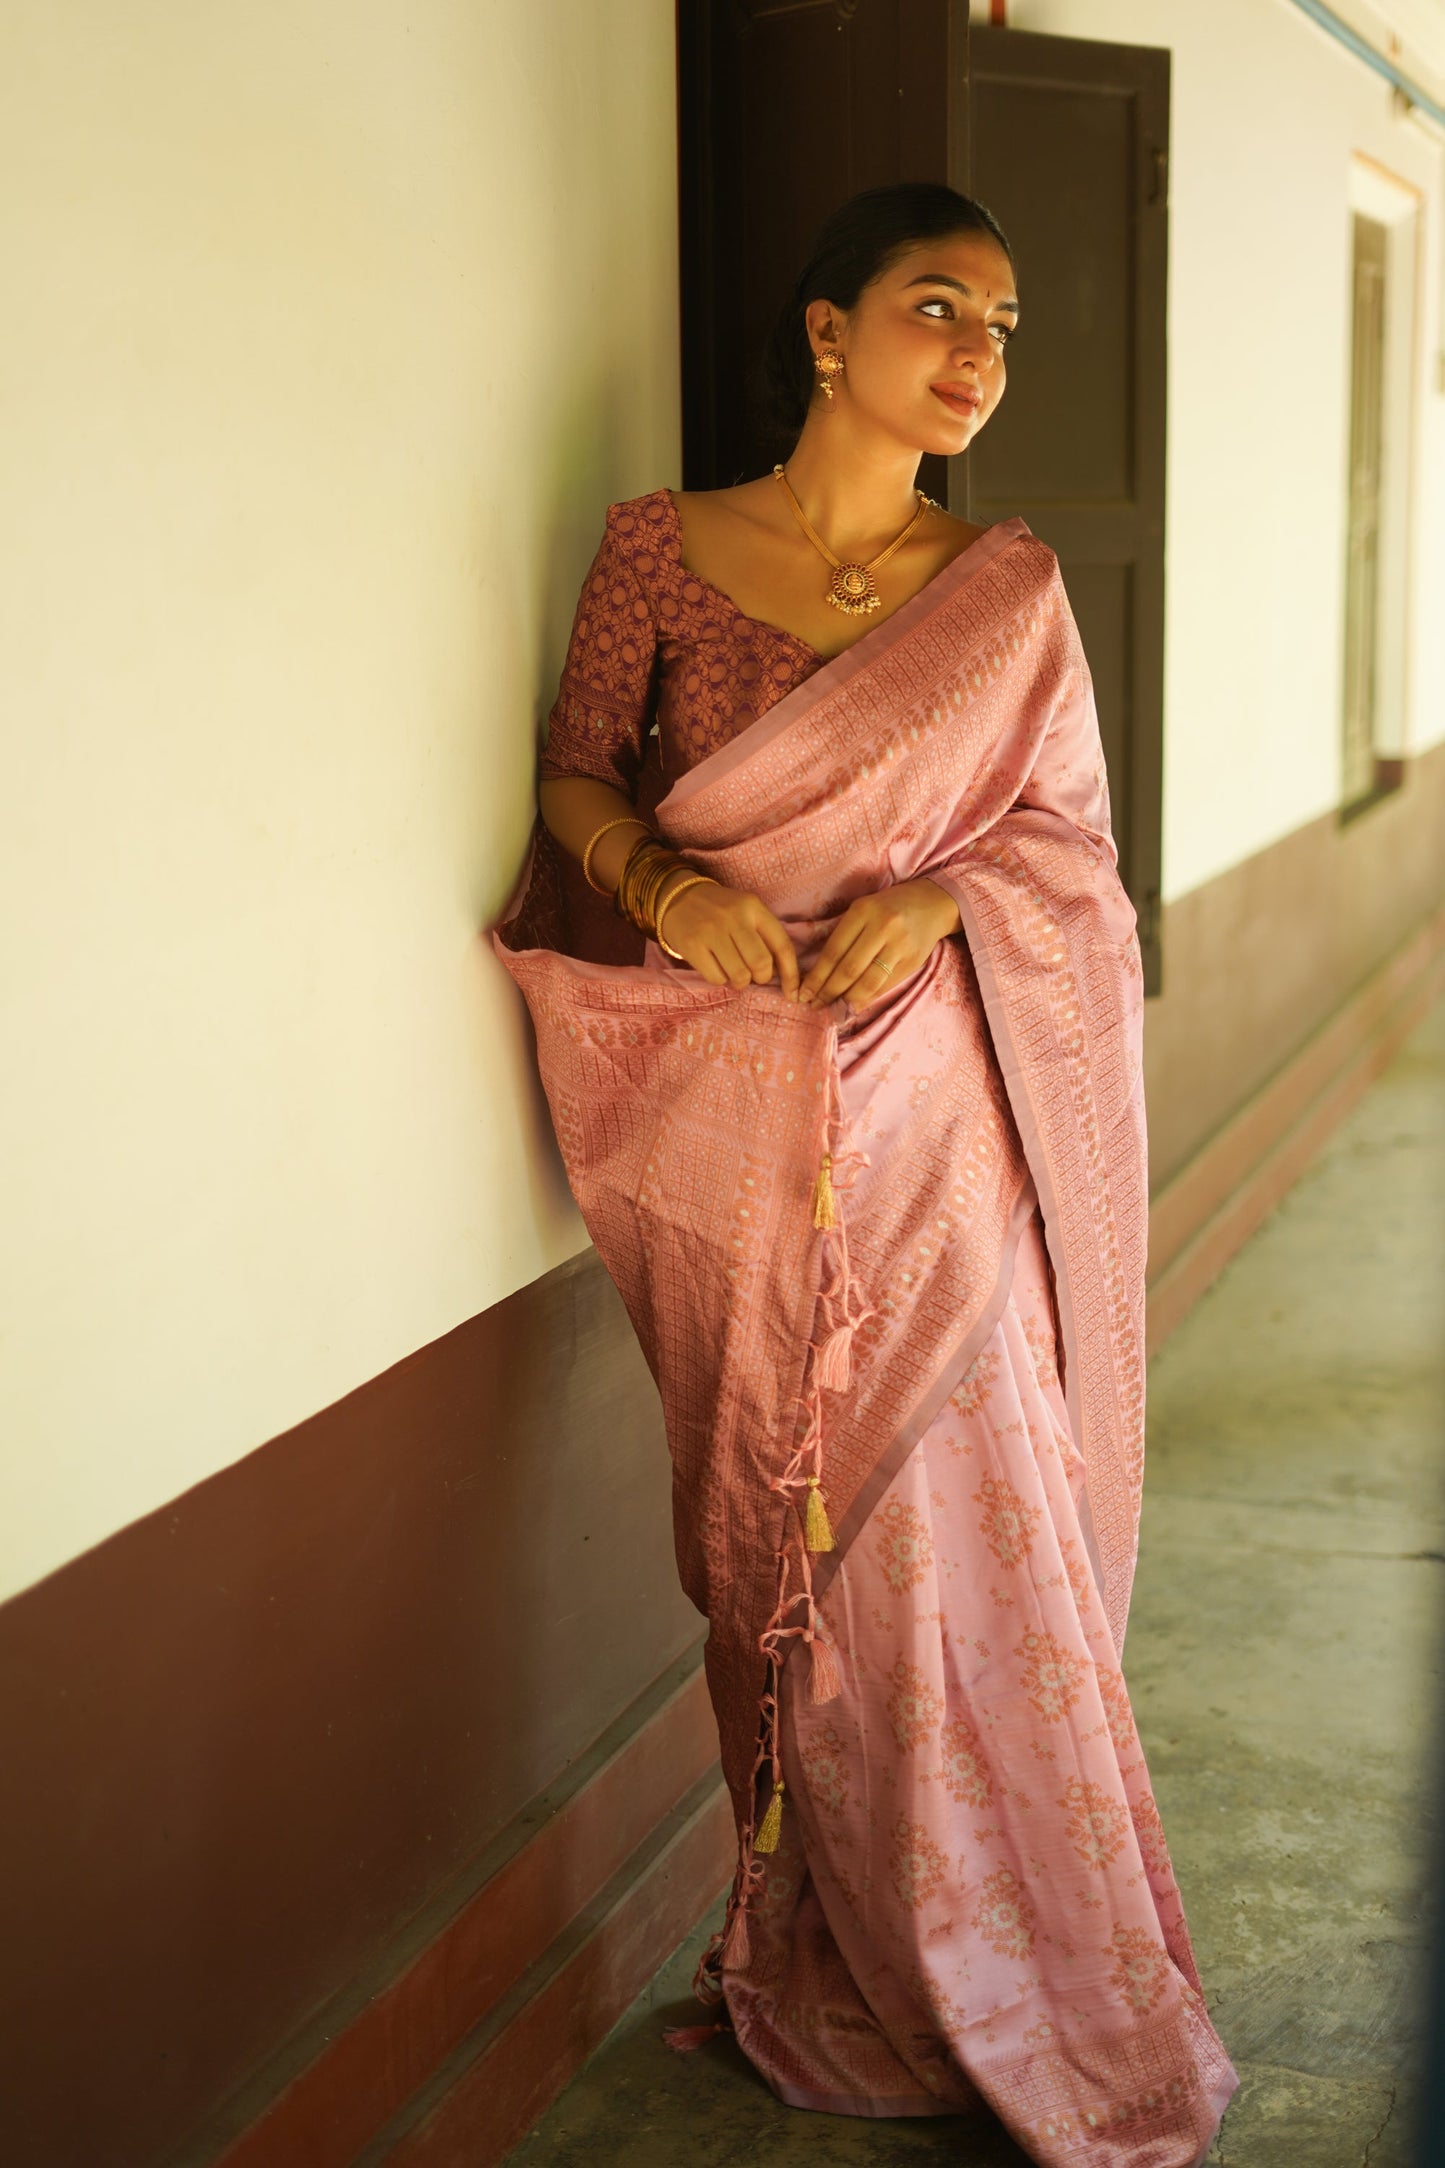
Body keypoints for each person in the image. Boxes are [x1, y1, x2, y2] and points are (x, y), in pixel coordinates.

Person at [493, 182, 1237, 2165]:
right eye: (940, 307)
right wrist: (661, 880)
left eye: (1003, 324)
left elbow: (1073, 847)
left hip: (944, 1126)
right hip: (733, 1116)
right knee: (777, 1538)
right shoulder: (659, 548)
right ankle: (829, 1930)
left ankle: (1015, 1953)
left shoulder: (1004, 589)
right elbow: (577, 768)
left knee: (963, 1521)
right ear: (828, 334)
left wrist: (954, 897)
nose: (980, 352)